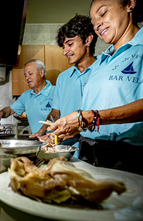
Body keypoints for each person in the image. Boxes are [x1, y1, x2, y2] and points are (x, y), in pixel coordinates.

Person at [48, 0, 143, 179]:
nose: (97, 25)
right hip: (87, 156)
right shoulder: (102, 62)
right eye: (93, 22)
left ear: (130, 3)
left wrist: (88, 118)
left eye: (102, 13)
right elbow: (95, 115)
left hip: (130, 159)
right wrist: (69, 129)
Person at [30, 14, 98, 158]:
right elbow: (56, 113)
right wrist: (43, 132)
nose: (64, 51)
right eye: (63, 46)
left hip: (96, 148)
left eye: (70, 44)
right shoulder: (63, 78)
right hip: (67, 151)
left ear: (88, 40)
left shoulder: (103, 72)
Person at [0, 59, 56, 134]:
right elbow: (10, 110)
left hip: (57, 142)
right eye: (25, 75)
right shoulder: (26, 95)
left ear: (41, 73)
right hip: (38, 141)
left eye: (30, 74)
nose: (27, 78)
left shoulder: (56, 91)